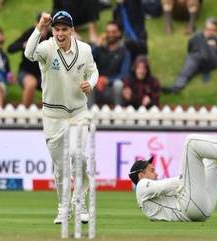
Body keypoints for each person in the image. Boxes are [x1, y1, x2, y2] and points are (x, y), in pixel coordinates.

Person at [24, 11, 99, 224]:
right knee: (60, 166)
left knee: (79, 158)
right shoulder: (47, 47)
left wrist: (91, 83)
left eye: (64, 29)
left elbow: (94, 72)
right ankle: (63, 207)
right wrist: (40, 27)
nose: (60, 33)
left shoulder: (84, 50)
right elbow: (29, 53)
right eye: (56, 29)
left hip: (78, 112)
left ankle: (80, 203)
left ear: (71, 30)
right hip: (52, 115)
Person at [128, 130, 217, 221]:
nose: (157, 172)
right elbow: (171, 184)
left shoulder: (147, 194)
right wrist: (186, 177)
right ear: (141, 175)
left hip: (201, 208)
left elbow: (174, 186)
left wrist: (189, 178)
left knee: (211, 157)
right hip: (189, 208)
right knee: (191, 142)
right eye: (151, 170)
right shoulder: (141, 186)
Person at [162, 17, 217, 94]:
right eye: (208, 29)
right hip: (197, 58)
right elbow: (190, 48)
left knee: (199, 38)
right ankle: (177, 87)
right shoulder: (199, 37)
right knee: (186, 70)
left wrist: (214, 42)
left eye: (213, 30)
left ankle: (205, 70)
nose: (210, 32)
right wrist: (205, 40)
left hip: (212, 60)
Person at [8, 14, 52, 107]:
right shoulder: (30, 33)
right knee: (31, 83)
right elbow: (10, 48)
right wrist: (24, 45)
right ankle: (25, 114)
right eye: (42, 24)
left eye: (46, 25)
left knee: (56, 85)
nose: (44, 27)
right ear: (36, 24)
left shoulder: (51, 36)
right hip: (26, 72)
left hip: (43, 74)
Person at [92, 21, 131, 106]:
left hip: (114, 90)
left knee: (118, 84)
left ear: (119, 33)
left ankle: (118, 114)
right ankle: (88, 115)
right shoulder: (100, 49)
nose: (110, 35)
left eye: (113, 32)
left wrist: (108, 80)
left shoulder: (124, 52)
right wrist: (97, 45)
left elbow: (124, 75)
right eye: (108, 32)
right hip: (97, 88)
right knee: (88, 82)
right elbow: (87, 62)